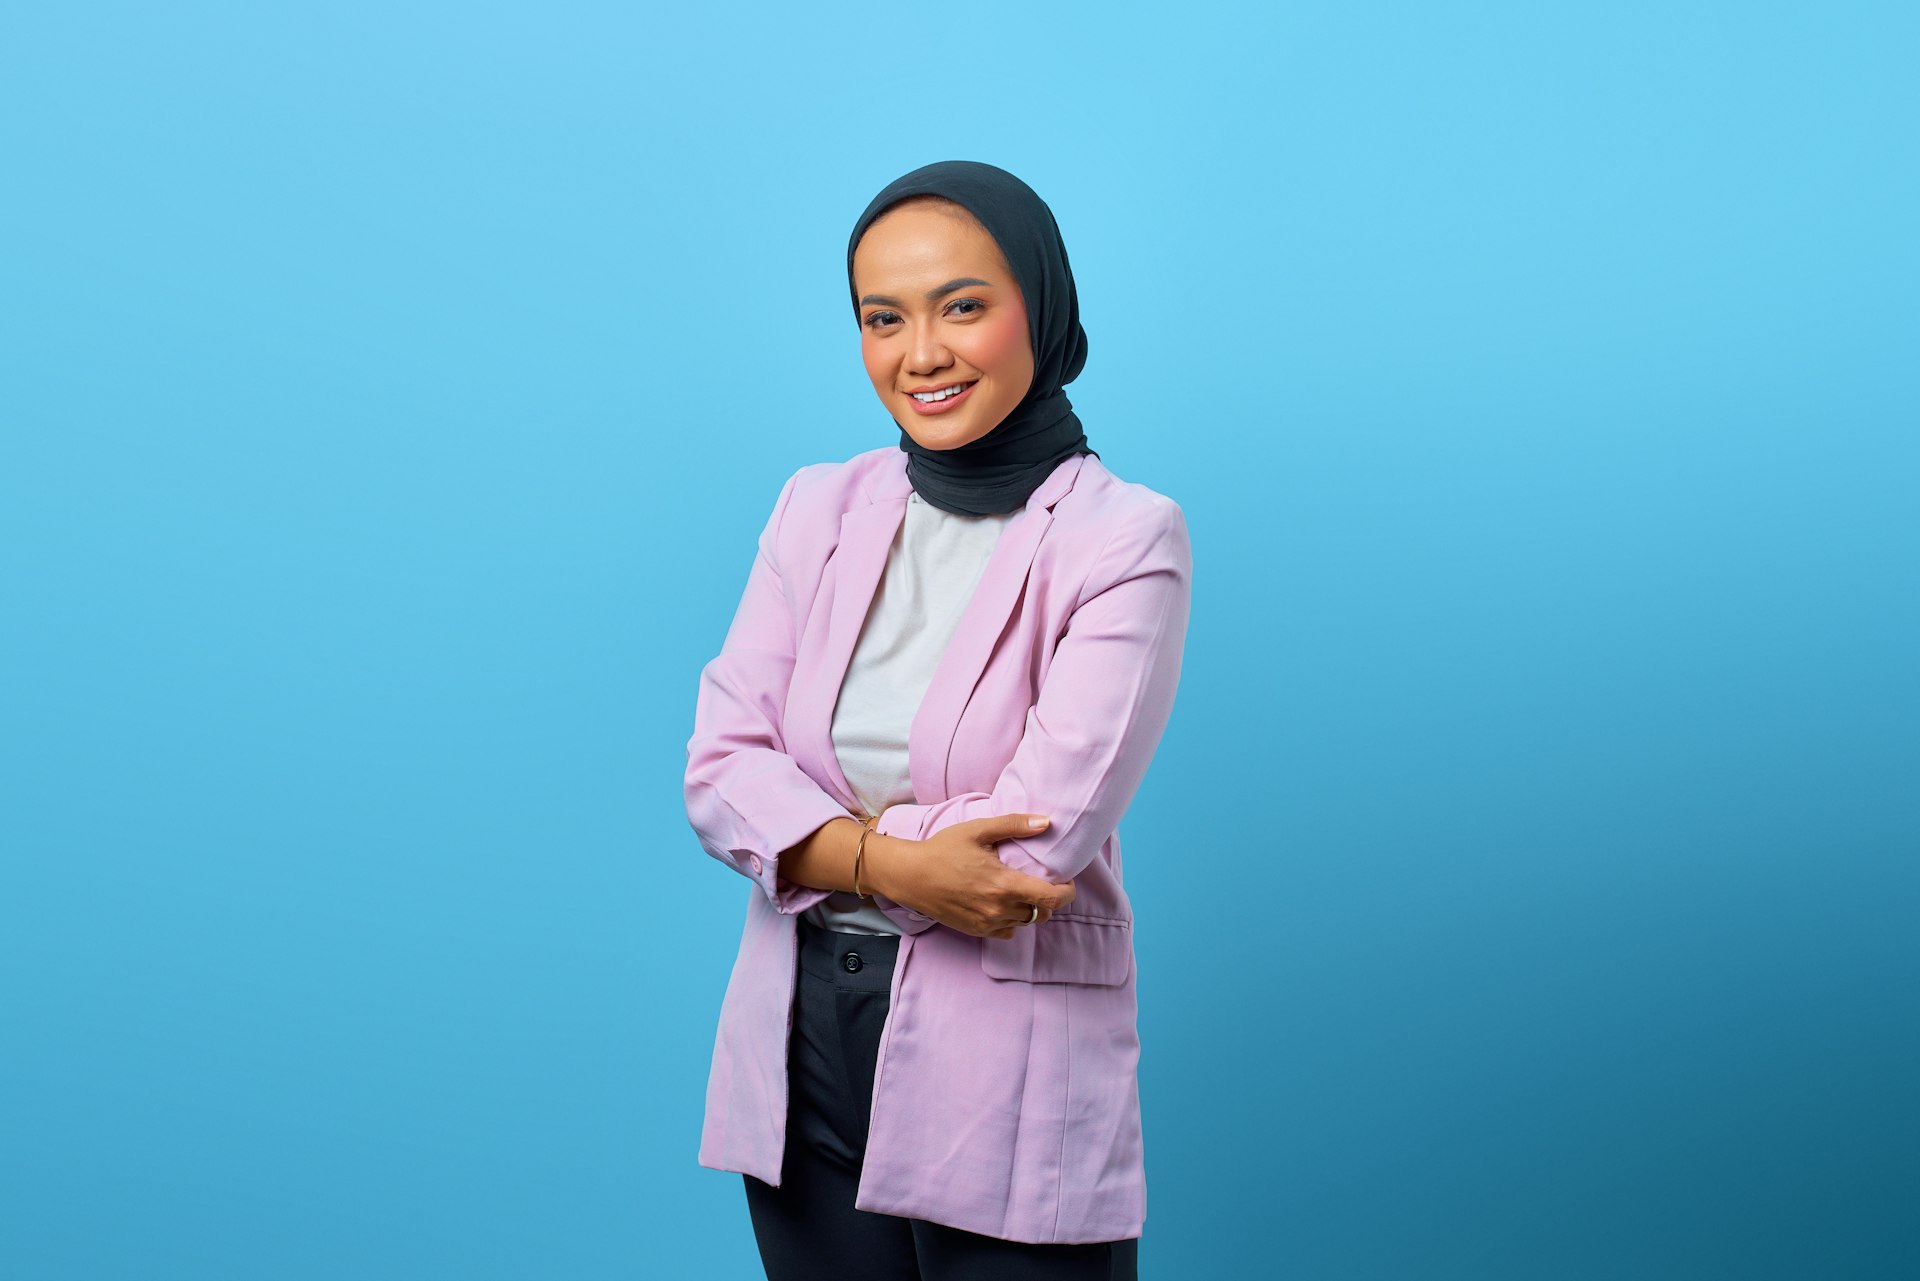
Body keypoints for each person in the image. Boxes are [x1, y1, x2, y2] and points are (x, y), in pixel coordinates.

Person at [684, 160, 1192, 1281]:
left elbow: (1029, 850)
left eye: (963, 305)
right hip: (801, 1027)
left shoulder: (1122, 540)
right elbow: (720, 770)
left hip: (1004, 1049)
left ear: (1041, 310)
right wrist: (897, 861)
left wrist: (815, 837)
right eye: (883, 318)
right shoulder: (818, 506)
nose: (921, 353)